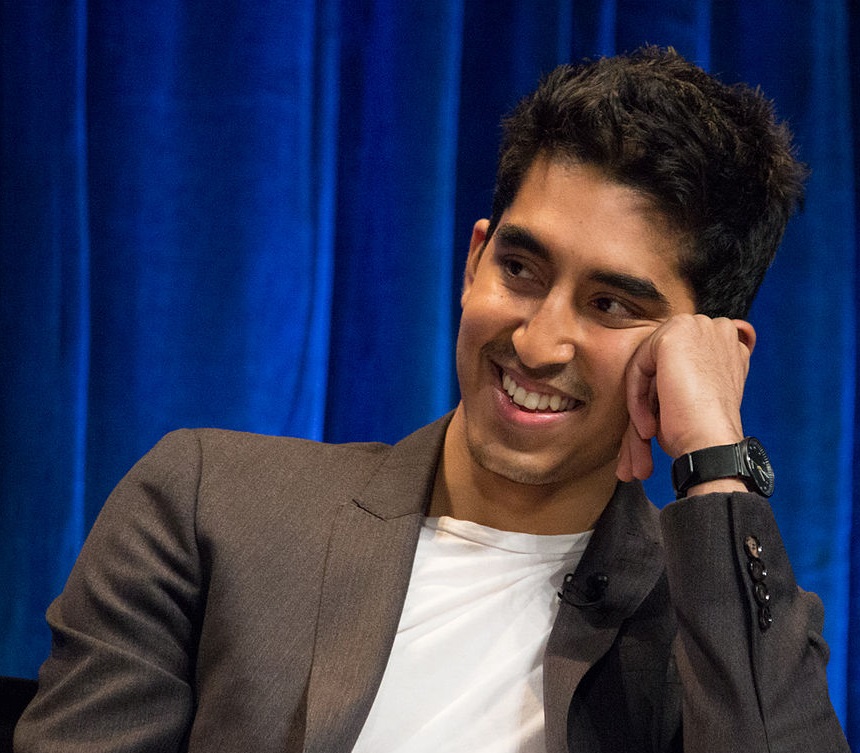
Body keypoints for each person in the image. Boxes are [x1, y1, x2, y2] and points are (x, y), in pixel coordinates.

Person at [15, 46, 850, 753]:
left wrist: (713, 459)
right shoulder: (211, 505)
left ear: (701, 348)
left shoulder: (718, 626)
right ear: (473, 261)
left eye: (611, 304)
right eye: (521, 269)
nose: (535, 341)